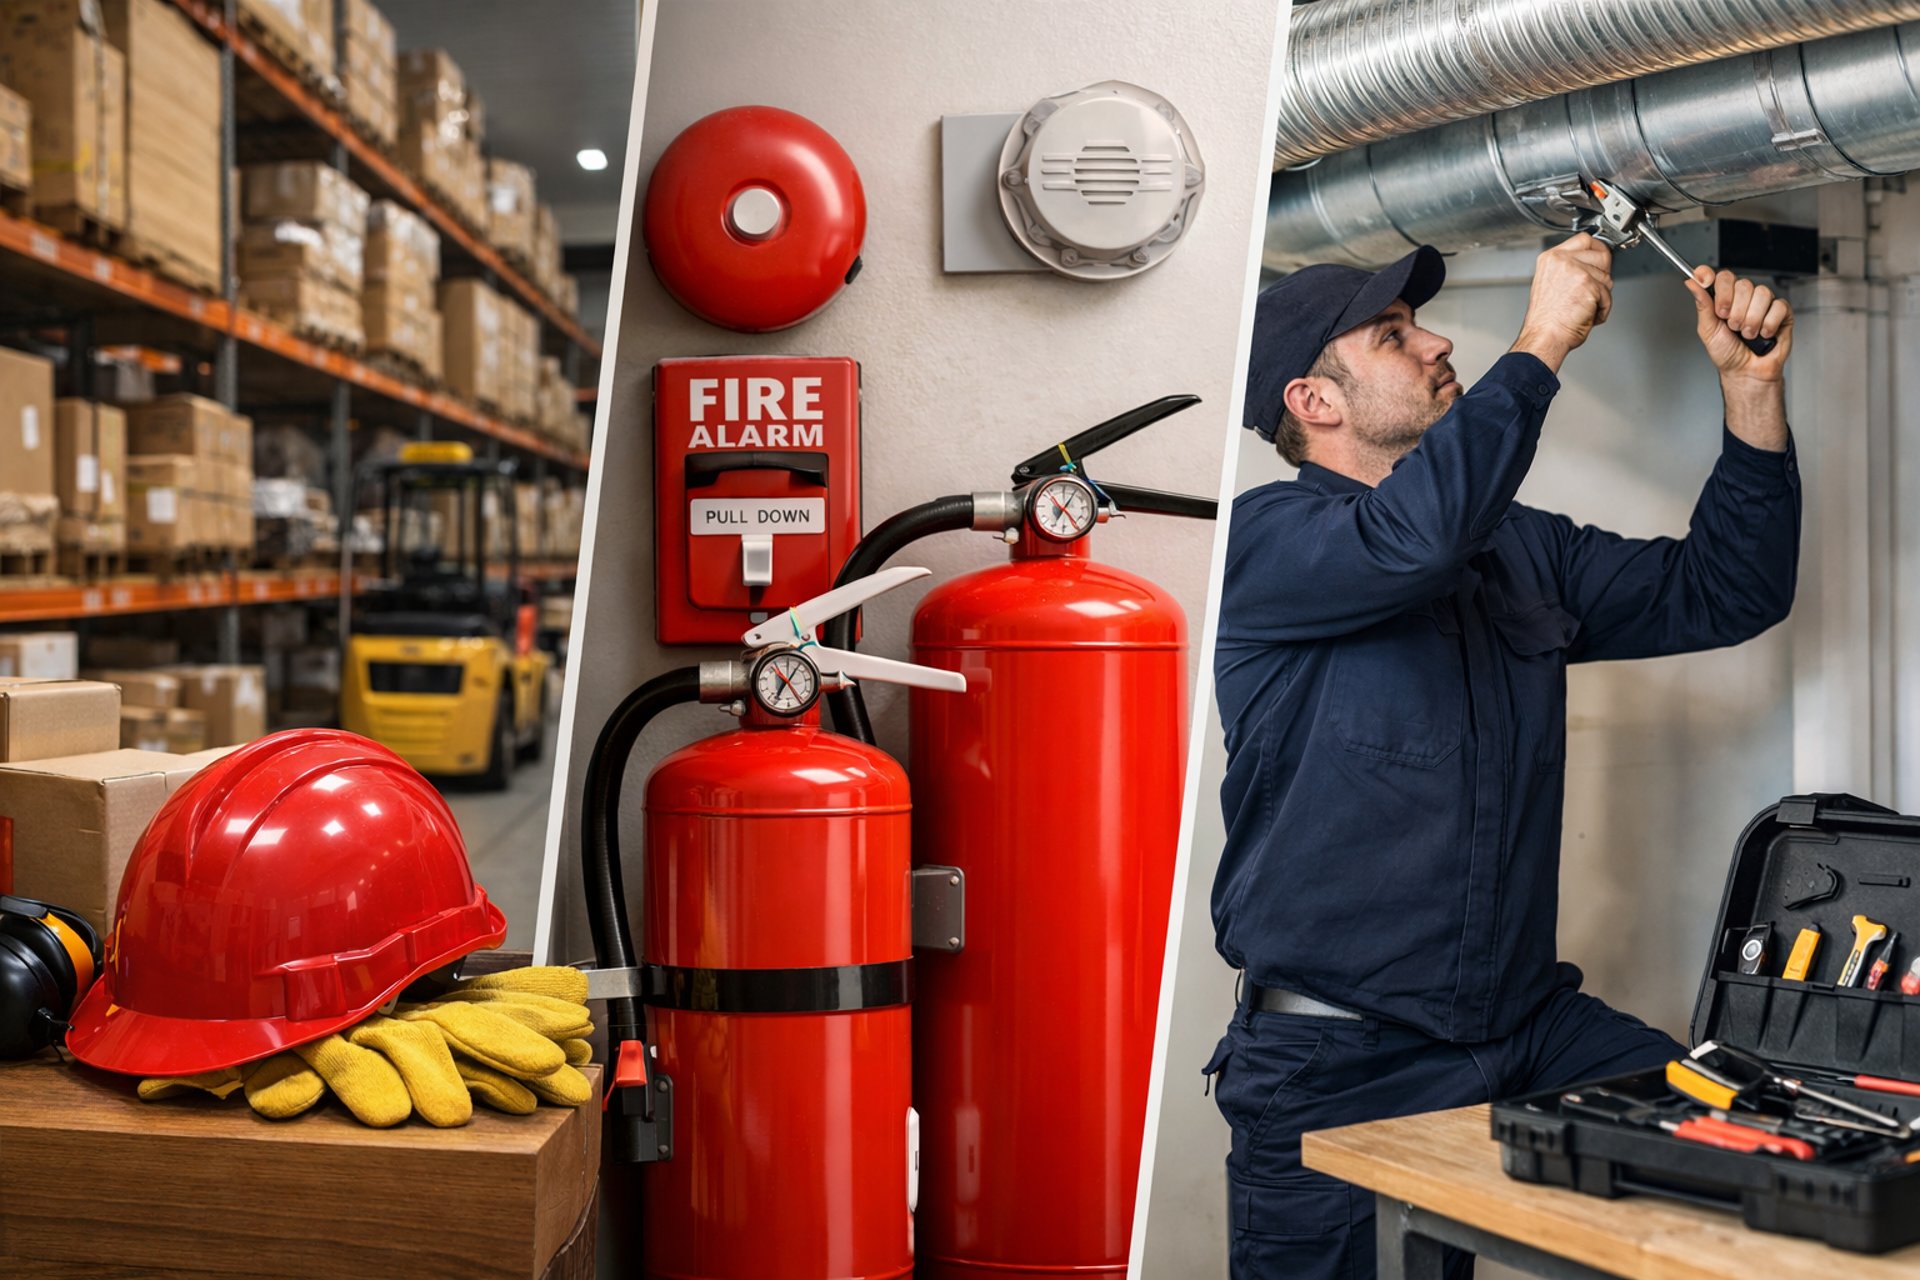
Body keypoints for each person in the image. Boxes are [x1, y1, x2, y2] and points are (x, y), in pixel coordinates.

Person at [1205, 233, 1800, 1279]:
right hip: (1342, 1061)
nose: (1436, 342)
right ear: (1315, 400)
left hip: (1526, 1026)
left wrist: (1750, 393)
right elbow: (1410, 544)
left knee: (1773, 1150)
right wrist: (1543, 340)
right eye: (1394, 335)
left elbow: (1727, 590)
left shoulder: (1512, 548)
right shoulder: (1264, 544)